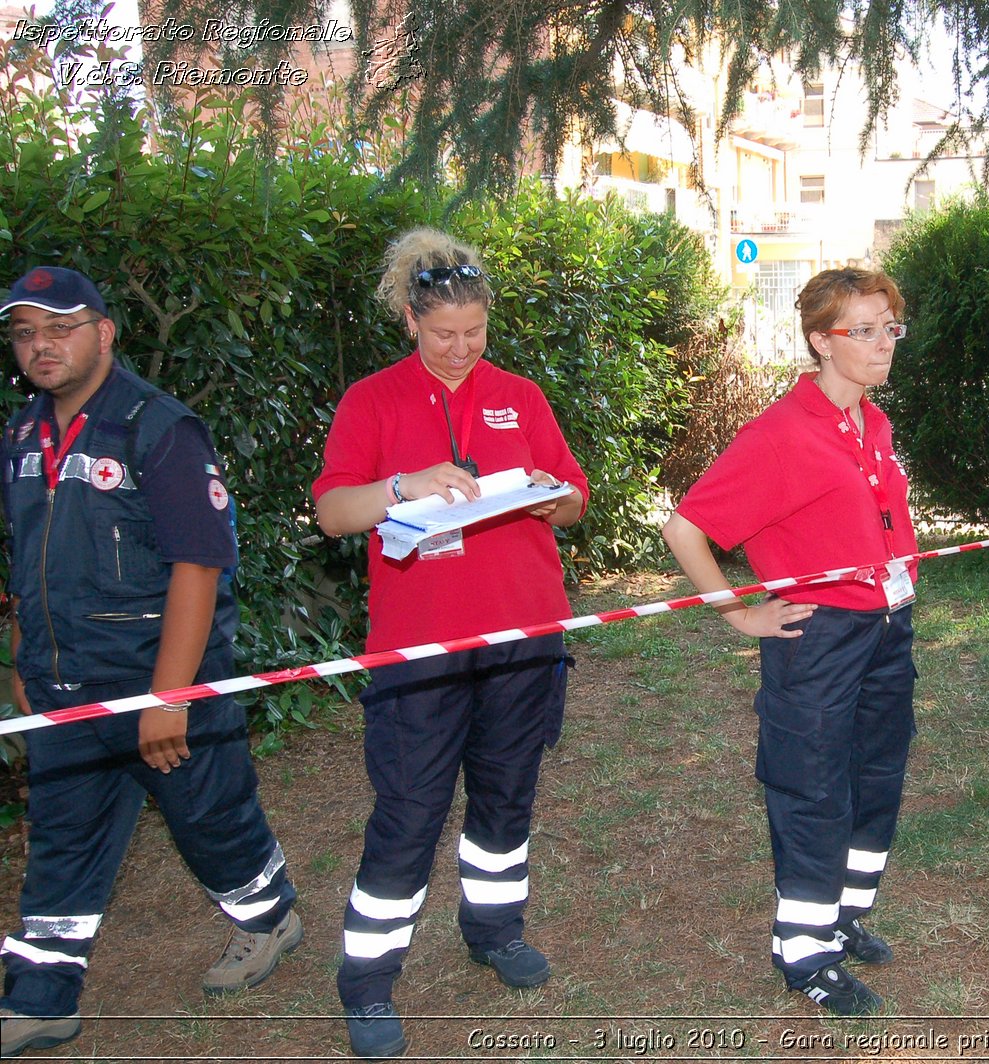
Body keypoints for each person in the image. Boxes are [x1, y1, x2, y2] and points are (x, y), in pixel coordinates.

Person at [0, 268, 300, 1057]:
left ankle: (269, 918)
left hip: (158, 682)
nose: (41, 346)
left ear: (103, 333)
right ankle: (40, 995)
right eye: (26, 332)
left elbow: (199, 566)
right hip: (63, 688)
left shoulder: (157, 428)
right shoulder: (21, 436)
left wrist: (168, 699)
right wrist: (23, 657)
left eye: (59, 328)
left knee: (211, 818)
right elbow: (25, 560)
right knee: (61, 837)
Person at [312, 229, 588, 1058]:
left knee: (506, 796)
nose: (461, 349)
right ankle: (366, 983)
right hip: (418, 651)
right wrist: (404, 486)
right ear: (409, 321)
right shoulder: (374, 400)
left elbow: (574, 498)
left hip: (524, 636)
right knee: (407, 813)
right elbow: (333, 512)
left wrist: (550, 496)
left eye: (475, 332)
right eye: (443, 335)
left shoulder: (521, 394)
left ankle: (494, 930)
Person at [662, 268, 917, 1017]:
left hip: (887, 628)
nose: (882, 343)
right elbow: (685, 529)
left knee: (875, 775)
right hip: (820, 639)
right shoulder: (779, 434)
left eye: (889, 326)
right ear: (820, 341)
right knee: (812, 788)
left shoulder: (872, 423)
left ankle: (841, 915)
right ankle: (803, 953)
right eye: (861, 330)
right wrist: (740, 615)